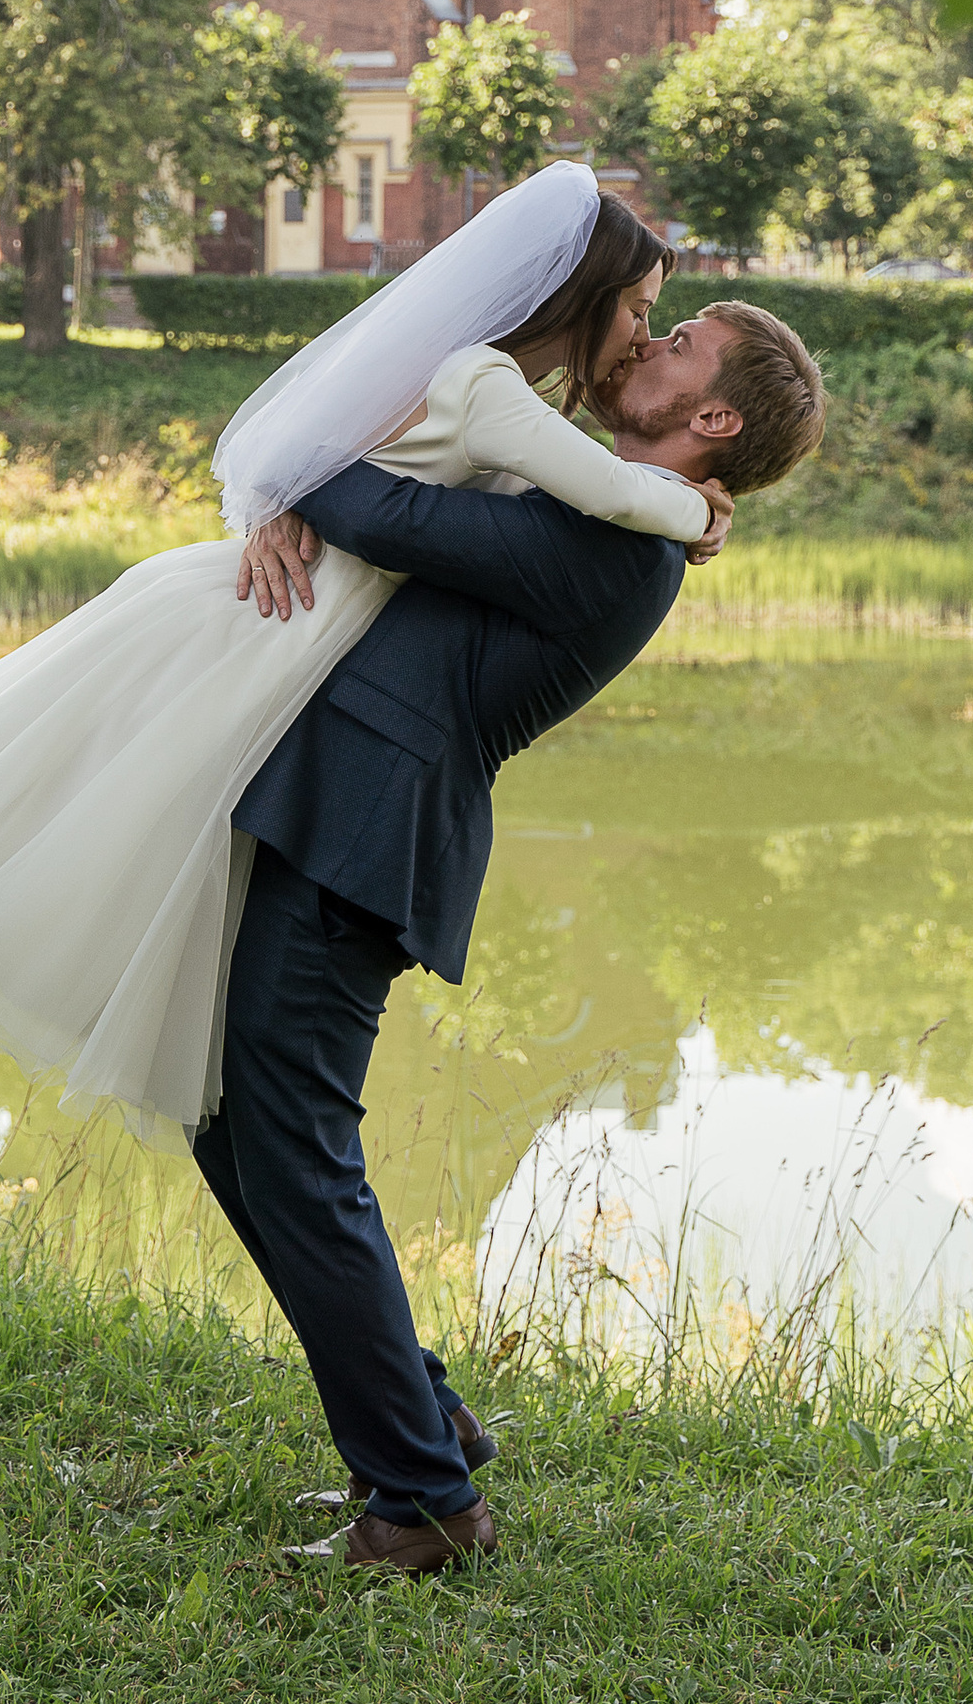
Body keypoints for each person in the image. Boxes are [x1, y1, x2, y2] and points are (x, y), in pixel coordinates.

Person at [0, 173, 724, 1130]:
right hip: (248, 634)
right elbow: (609, 494)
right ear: (577, 295)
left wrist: (282, 493)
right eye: (638, 309)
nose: (638, 334)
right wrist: (701, 511)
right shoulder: (488, 387)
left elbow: (333, 442)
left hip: (246, 622)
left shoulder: (486, 378)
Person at [203, 282, 824, 1574]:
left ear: (710, 415)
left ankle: (423, 1501)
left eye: (683, 341)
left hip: (368, 833)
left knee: (293, 1151)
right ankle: (422, 1426)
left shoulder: (619, 542)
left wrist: (297, 450)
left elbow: (368, 502)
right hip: (344, 811)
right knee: (232, 1125)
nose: (649, 338)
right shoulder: (619, 505)